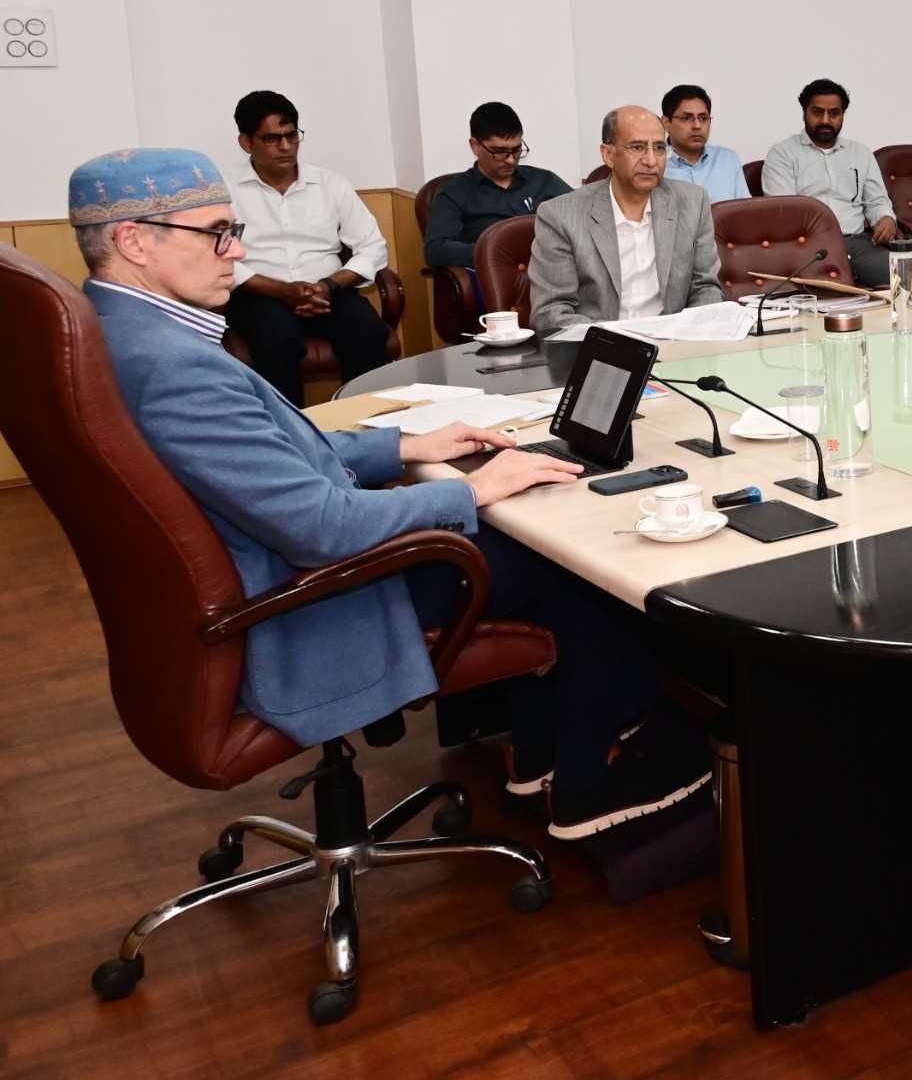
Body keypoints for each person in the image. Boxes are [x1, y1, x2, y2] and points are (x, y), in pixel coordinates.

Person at [67, 149, 708, 842]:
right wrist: (473, 488)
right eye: (218, 233)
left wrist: (403, 447)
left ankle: (538, 755)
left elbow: (266, 456)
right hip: (309, 604)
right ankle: (589, 785)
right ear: (134, 240)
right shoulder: (174, 368)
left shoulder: (119, 332)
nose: (239, 251)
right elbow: (324, 527)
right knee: (573, 562)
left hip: (260, 579)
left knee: (526, 540)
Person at [217, 90, 393, 404]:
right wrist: (281, 290)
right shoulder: (225, 192)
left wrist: (328, 285)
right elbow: (218, 255)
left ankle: (361, 421)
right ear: (246, 143)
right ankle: (290, 429)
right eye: (272, 138)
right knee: (276, 339)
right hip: (259, 295)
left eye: (291, 135)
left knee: (368, 331)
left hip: (327, 291)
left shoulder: (330, 184)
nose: (286, 146)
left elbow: (372, 247)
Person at [527, 106, 726, 335]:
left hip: (676, 343)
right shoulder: (561, 215)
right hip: (601, 347)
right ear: (608, 155)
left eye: (659, 148)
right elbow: (551, 313)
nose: (651, 161)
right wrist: (618, 344)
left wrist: (689, 334)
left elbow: (706, 288)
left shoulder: (692, 202)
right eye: (637, 147)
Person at [759, 78, 896, 285]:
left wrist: (885, 218)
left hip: (855, 243)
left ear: (842, 115)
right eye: (817, 112)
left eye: (834, 113)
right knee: (819, 290)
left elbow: (877, 201)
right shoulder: (782, 154)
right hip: (806, 246)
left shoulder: (860, 153)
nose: (825, 120)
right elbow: (784, 213)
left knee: (898, 276)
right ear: (804, 112)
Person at [423, 101, 574, 268]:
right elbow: (436, 250)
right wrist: (497, 252)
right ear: (475, 146)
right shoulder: (454, 192)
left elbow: (583, 217)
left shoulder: (544, 181)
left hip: (554, 270)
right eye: (499, 152)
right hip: (495, 275)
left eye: (516, 150)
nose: (511, 160)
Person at [660, 84, 750, 203]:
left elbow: (745, 209)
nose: (697, 126)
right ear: (666, 123)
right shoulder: (654, 164)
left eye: (703, 118)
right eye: (686, 118)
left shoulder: (727, 159)